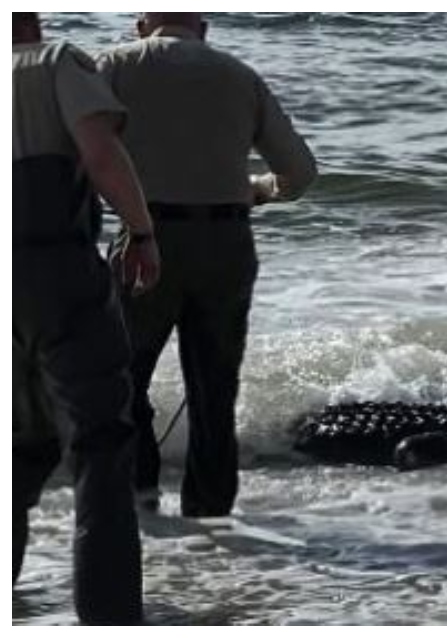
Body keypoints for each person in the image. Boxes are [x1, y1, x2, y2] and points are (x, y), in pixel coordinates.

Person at [99, 13, 318, 518]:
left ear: (141, 26)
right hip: (226, 242)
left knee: (122, 379)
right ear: (204, 28)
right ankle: (211, 518)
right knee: (214, 390)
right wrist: (259, 190)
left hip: (147, 237)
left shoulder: (114, 66)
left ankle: (140, 499)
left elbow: (83, 150)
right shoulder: (240, 75)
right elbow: (300, 173)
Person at [13, 12, 161, 625]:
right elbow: (100, 152)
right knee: (100, 446)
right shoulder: (53, 62)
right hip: (53, 270)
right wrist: (141, 232)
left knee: (19, 446)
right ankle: (109, 616)